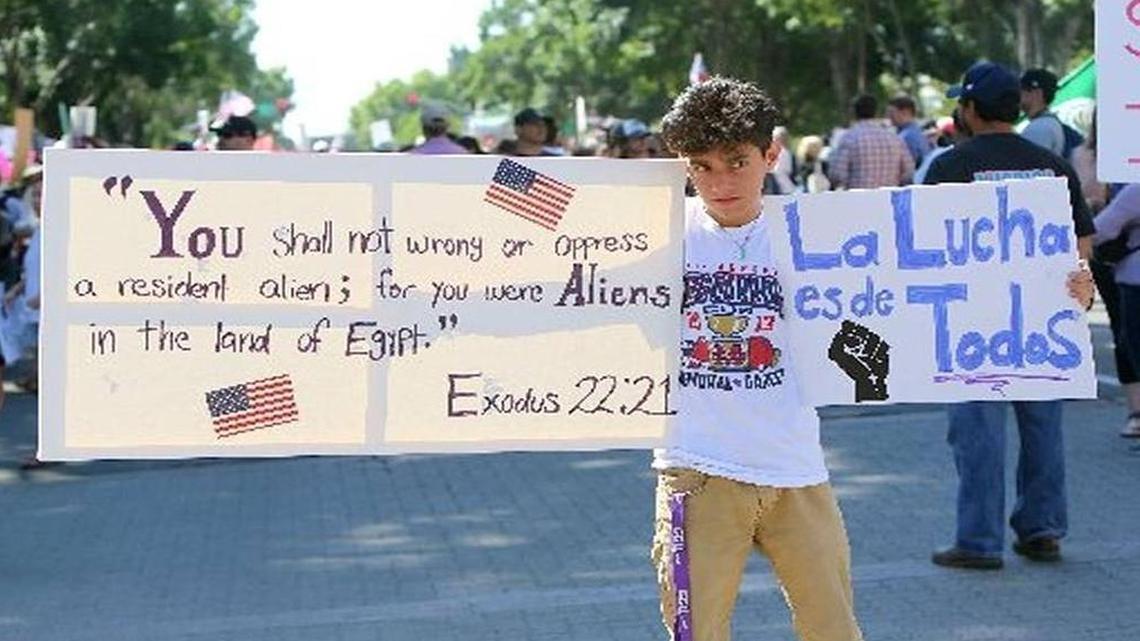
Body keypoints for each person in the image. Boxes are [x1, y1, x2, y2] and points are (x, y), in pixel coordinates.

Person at [651, 76, 863, 641]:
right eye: (702, 165)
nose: (719, 182)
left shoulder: (817, 233)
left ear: (771, 154)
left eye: (736, 162)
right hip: (697, 469)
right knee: (697, 633)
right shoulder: (654, 235)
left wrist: (1057, 291)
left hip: (797, 466)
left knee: (834, 628)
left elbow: (928, 292)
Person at [923, 61, 1096, 569]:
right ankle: (1042, 529)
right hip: (1044, 322)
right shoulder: (1053, 166)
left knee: (977, 433)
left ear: (971, 109)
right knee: (1043, 428)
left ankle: (978, 542)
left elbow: (917, 246)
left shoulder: (950, 166)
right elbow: (1081, 242)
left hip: (971, 323)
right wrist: (1080, 292)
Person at [1091, 184, 1140, 438]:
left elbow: (1098, 231)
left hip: (1135, 281)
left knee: (1133, 346)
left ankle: (1137, 413)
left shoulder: (1135, 192)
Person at [828, 94, 914, 189]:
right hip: (888, 199)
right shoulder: (894, 138)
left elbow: (837, 174)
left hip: (859, 199)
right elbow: (908, 171)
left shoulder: (849, 138)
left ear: (854, 112)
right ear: (876, 112)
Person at [1019, 69, 1066, 158]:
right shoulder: (1048, 123)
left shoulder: (1040, 128)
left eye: (1022, 89)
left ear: (1037, 93)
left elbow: (1030, 165)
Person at [887, 95, 931, 166]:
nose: (888, 116)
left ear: (905, 112)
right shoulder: (916, 132)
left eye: (891, 112)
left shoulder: (907, 137)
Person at [770, 126, 797, 194]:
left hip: (780, 188)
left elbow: (777, 171)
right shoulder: (787, 152)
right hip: (787, 187)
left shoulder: (782, 152)